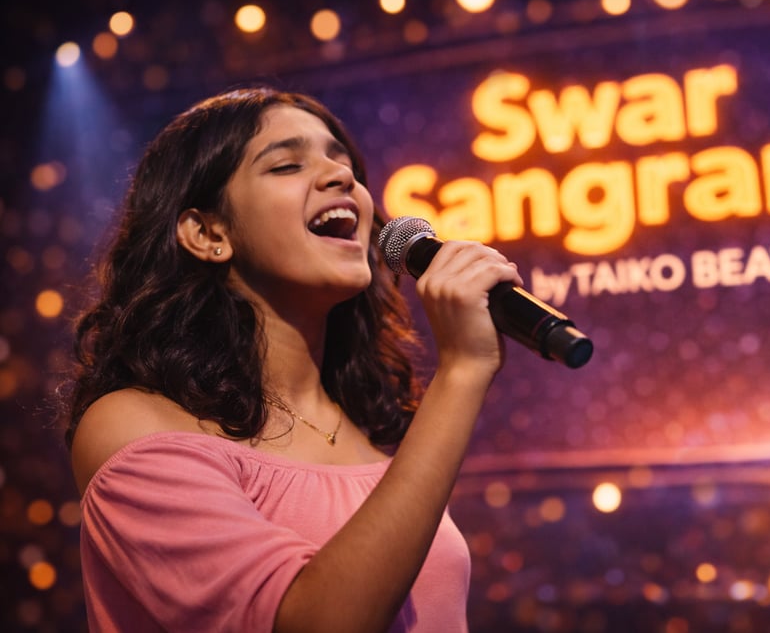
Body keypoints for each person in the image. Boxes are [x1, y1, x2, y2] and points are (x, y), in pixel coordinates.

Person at [64, 87, 522, 632]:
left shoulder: (362, 428)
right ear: (208, 233)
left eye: (343, 162)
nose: (340, 176)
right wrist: (462, 371)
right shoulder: (134, 426)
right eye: (286, 165)